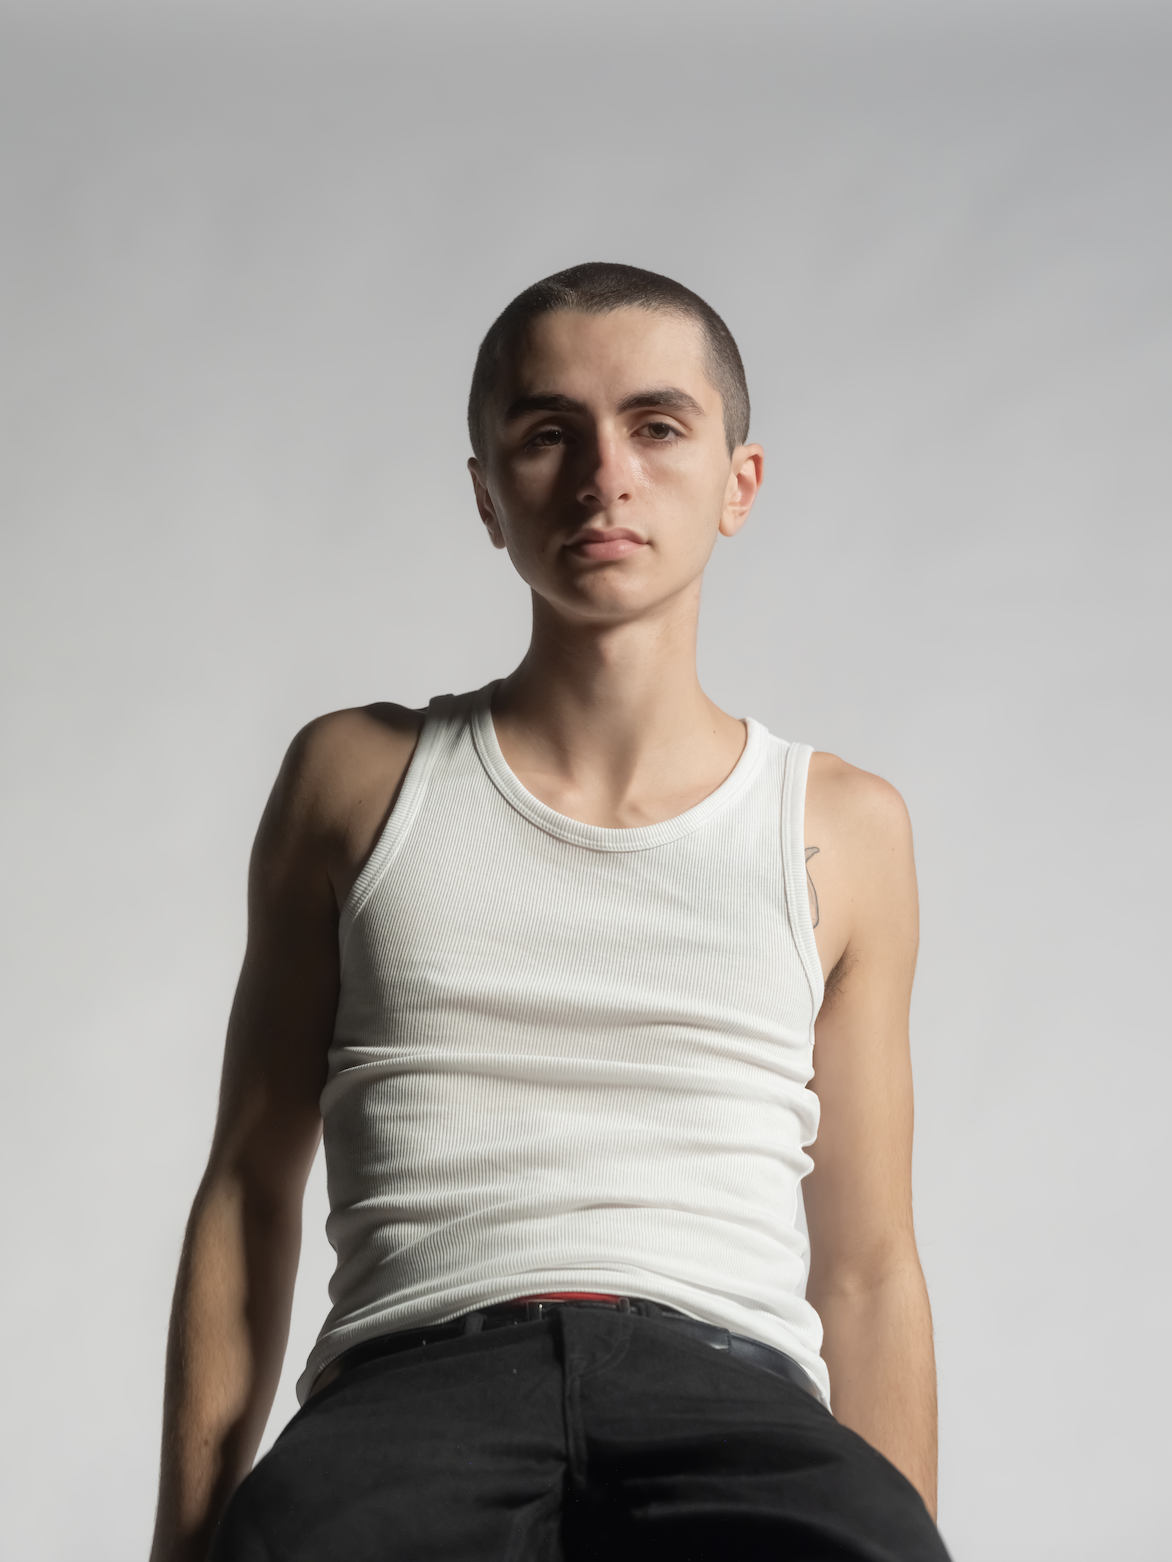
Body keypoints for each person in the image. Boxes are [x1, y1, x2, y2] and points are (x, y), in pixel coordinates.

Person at [149, 262, 951, 1562]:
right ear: (487, 493)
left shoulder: (843, 826)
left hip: (730, 1399)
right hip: (410, 1395)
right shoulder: (356, 779)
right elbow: (247, 1188)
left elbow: (867, 1267)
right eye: (547, 433)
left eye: (657, 425)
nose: (604, 477)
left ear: (738, 482)